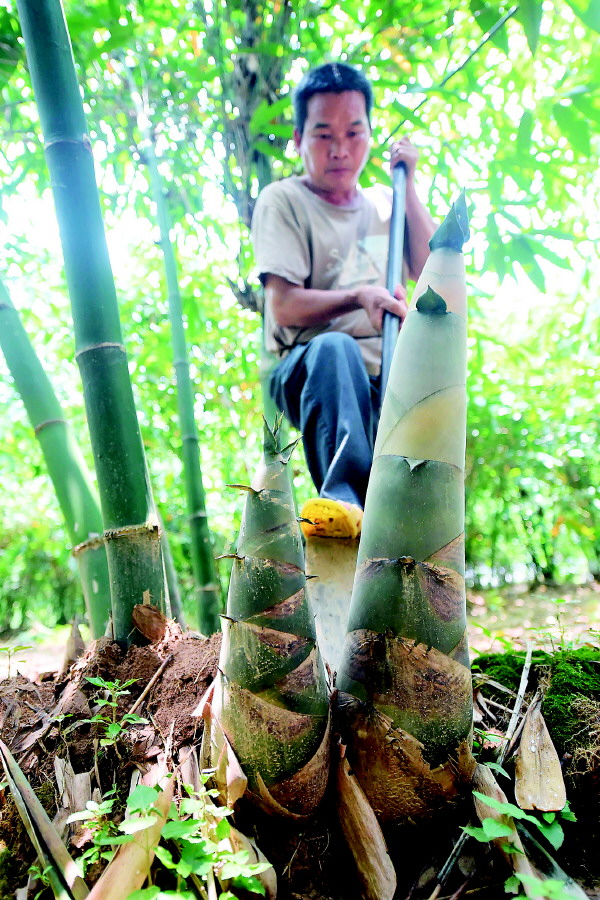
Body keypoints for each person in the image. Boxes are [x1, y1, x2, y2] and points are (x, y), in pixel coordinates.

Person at [251, 62, 435, 538]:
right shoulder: (283, 200)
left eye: (354, 133)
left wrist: (407, 182)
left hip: (387, 376)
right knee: (337, 350)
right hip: (312, 370)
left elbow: (430, 266)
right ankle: (344, 501)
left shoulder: (385, 202)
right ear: (297, 139)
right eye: (323, 135)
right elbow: (285, 307)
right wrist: (358, 296)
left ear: (372, 136)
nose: (340, 149)